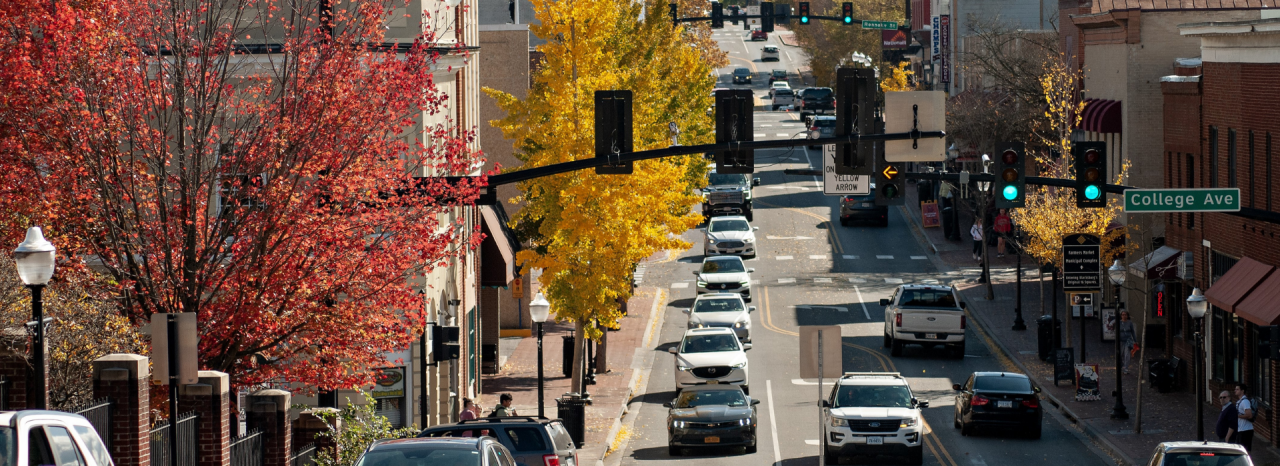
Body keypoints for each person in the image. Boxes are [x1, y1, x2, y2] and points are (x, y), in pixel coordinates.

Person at [1235, 383, 1255, 451]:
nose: (1235, 391)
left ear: (1242, 391)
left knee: (1245, 450)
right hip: (1240, 429)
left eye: (1237, 389)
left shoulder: (1245, 402)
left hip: (1246, 430)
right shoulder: (1239, 402)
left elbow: (1249, 415)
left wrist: (1237, 416)